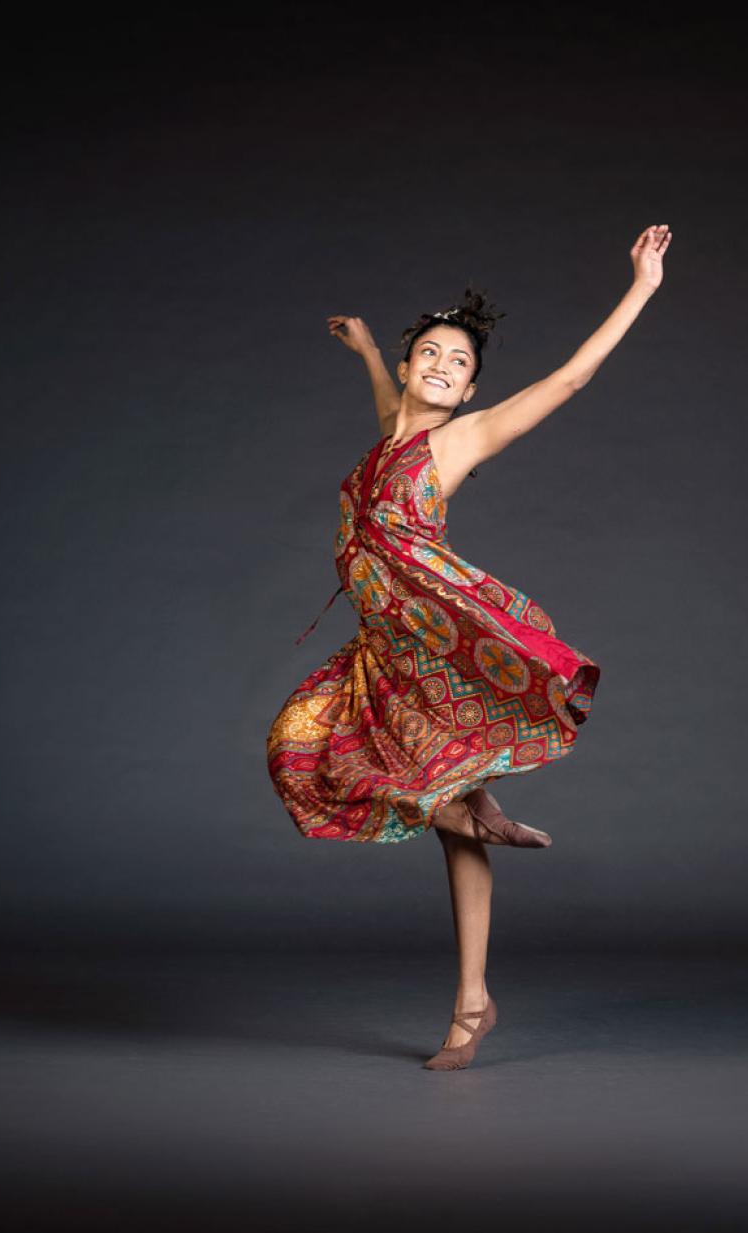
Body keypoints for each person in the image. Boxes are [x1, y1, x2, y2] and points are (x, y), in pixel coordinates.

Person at [265, 224, 671, 1070]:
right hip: (385, 651)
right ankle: (472, 840)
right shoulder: (392, 437)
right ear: (415, 368)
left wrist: (642, 285)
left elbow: (570, 377)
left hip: (442, 641)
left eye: (461, 363)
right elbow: (388, 407)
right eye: (433, 355)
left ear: (471, 388)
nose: (446, 366)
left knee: (428, 802)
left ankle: (468, 995)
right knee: (296, 746)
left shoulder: (460, 440)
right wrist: (372, 349)